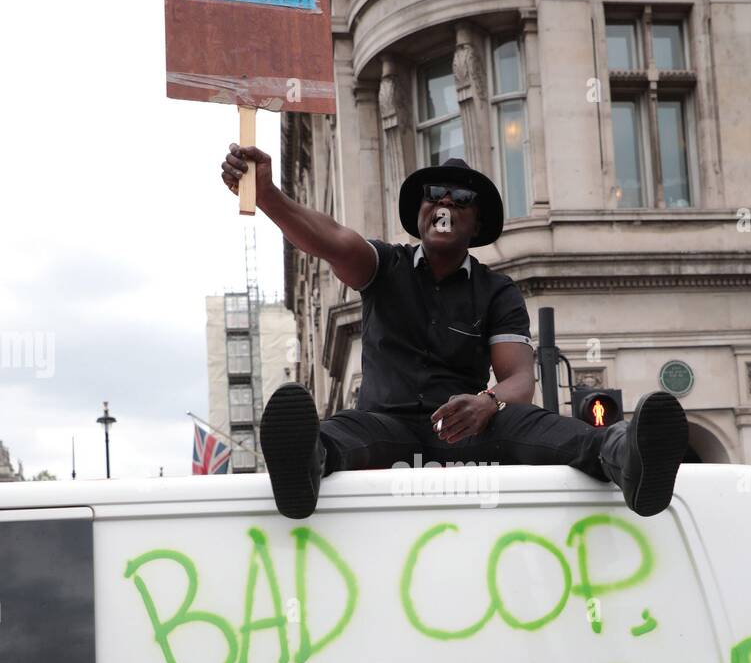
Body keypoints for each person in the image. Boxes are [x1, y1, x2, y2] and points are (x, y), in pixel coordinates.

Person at [221, 146, 689, 521]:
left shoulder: (497, 291)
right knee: (342, 433)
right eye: (435, 193)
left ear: (477, 221)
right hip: (387, 426)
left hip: (465, 431)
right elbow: (332, 239)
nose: (445, 202)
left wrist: (488, 403)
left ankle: (629, 457)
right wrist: (268, 196)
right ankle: (304, 469)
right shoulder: (385, 265)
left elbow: (520, 382)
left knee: (547, 428)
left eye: (460, 198)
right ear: (420, 211)